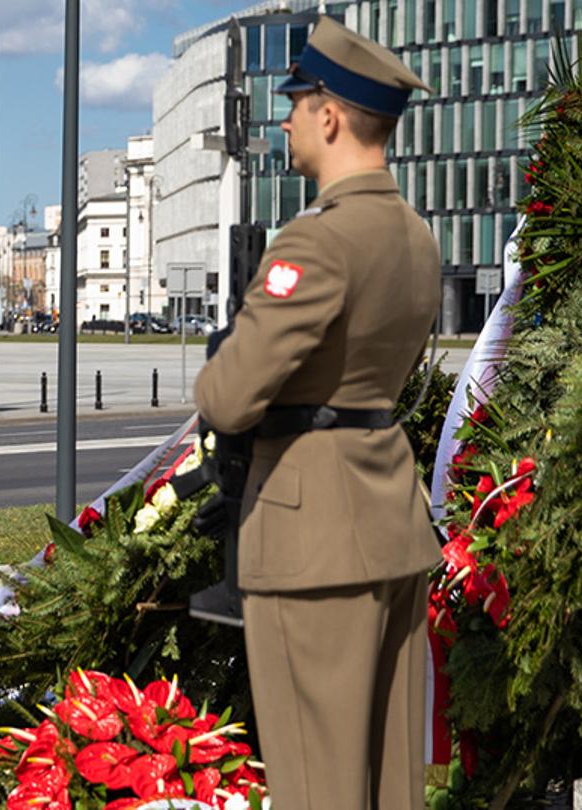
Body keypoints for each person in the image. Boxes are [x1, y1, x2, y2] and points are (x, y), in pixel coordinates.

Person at [193, 16, 440, 809]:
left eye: (296, 102)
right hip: (391, 521)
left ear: (330, 115)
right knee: (388, 783)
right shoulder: (417, 239)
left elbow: (228, 396)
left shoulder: (316, 244)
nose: (288, 118)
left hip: (311, 541)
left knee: (317, 787)